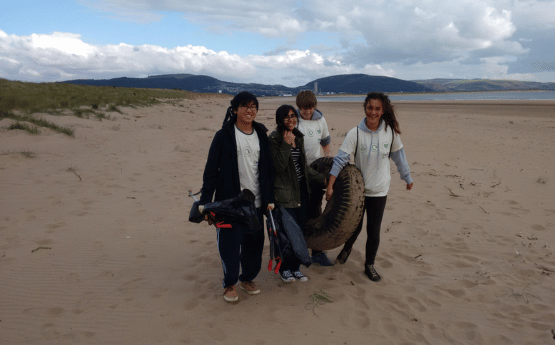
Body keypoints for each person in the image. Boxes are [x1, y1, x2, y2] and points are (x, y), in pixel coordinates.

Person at [326, 92, 413, 282]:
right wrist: (330, 185)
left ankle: (369, 265)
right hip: (359, 191)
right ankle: (347, 248)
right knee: (354, 227)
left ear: (383, 111)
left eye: (377, 108)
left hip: (380, 190)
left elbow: (399, 157)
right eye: (370, 108)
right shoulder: (355, 133)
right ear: (365, 108)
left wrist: (407, 177)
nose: (373, 112)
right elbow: (340, 160)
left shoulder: (390, 132)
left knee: (373, 230)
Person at [199, 91, 275, 302]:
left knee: (254, 244)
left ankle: (247, 278)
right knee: (230, 245)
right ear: (235, 110)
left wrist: (269, 197)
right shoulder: (223, 136)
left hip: (256, 203)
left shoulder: (261, 133)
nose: (250, 110)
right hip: (231, 202)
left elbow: (267, 169)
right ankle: (229, 284)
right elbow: (211, 171)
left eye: (253, 106)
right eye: (245, 106)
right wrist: (206, 203)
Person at [269, 105, 326, 282]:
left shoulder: (298, 137)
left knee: (299, 230)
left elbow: (303, 168)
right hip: (284, 194)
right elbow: (277, 167)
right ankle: (284, 268)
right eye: (286, 117)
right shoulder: (274, 139)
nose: (291, 120)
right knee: (286, 233)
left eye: (293, 116)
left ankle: (296, 268)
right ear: (279, 120)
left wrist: (323, 179)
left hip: (301, 191)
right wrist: (286, 145)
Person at [295, 90, 334, 266]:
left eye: (310, 108)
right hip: (297, 172)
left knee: (316, 209)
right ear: (299, 107)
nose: (307, 112)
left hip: (316, 171)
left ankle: (318, 253)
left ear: (314, 106)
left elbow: (325, 143)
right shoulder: (293, 120)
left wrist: (328, 164)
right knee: (299, 210)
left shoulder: (321, 120)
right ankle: (298, 249)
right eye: (304, 108)